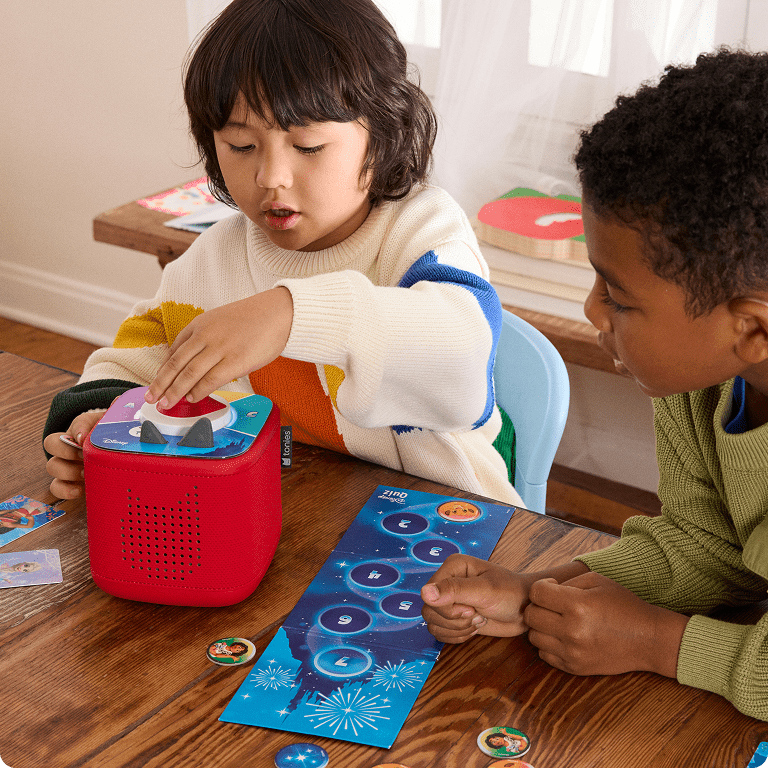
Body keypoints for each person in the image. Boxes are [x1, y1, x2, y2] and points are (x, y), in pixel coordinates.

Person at [42, 0, 521, 508]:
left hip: (444, 510)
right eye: (240, 146)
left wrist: (292, 314)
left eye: (308, 146)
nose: (270, 177)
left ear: (381, 138)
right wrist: (100, 422)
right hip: (291, 502)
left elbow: (463, 362)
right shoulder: (215, 257)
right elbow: (144, 359)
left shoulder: (421, 229)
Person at [421, 49, 768, 722]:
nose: (592, 311)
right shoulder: (702, 378)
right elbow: (707, 545)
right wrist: (540, 594)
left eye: (620, 298)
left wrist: (659, 643)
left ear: (751, 329)